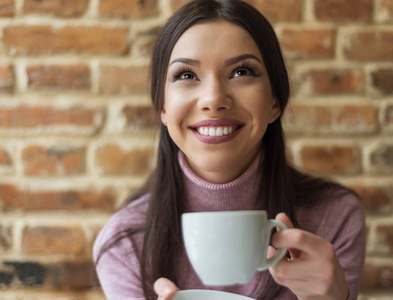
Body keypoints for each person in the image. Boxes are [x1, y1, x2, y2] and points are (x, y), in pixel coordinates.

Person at [93, 0, 366, 299]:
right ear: (163, 108)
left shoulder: (333, 217)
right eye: (186, 75)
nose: (213, 99)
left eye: (241, 72)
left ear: (275, 101)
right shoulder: (125, 242)